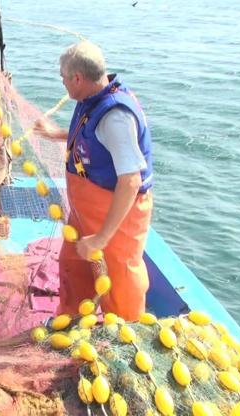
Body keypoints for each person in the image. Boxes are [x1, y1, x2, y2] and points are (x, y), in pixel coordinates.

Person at [35, 41, 154, 321]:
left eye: (63, 78)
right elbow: (93, 136)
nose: (62, 83)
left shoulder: (116, 118)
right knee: (73, 264)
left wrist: (101, 238)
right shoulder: (94, 97)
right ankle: (71, 319)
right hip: (86, 210)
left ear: (77, 78)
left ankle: (123, 337)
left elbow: (130, 181)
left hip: (117, 215)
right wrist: (57, 134)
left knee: (119, 281)